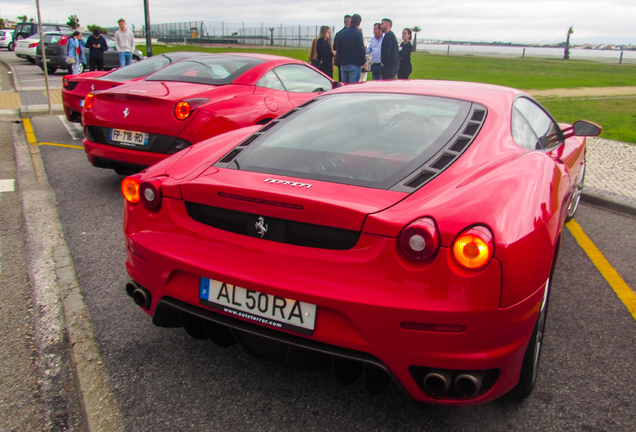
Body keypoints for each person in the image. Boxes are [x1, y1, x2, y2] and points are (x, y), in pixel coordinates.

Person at [336, 14, 365, 83]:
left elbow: (339, 50)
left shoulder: (342, 34)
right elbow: (361, 49)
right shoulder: (358, 34)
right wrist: (362, 61)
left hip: (344, 63)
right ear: (359, 23)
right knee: (353, 87)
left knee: (345, 87)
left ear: (350, 21)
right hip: (354, 64)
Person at [333, 15, 351, 81]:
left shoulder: (338, 34)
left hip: (340, 60)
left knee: (341, 79)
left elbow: (335, 48)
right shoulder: (350, 34)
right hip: (349, 60)